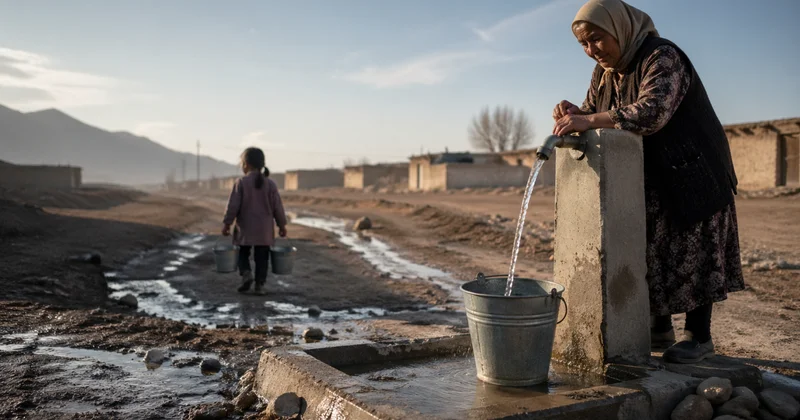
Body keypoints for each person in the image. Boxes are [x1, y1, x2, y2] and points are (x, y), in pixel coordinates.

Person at [552, 0, 744, 363]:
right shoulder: (605, 71)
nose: (592, 50)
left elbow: (651, 113)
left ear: (620, 28)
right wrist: (576, 112)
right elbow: (596, 111)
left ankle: (699, 337)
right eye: (584, 44)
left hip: (693, 172)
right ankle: (659, 329)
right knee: (651, 249)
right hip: (651, 175)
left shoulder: (662, 56)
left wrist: (589, 121)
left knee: (692, 250)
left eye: (597, 39)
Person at [222, 147, 288, 296]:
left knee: (242, 253)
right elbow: (278, 207)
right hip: (264, 231)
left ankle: (246, 274)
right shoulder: (270, 184)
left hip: (245, 228)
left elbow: (233, 206)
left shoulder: (241, 183)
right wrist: (282, 225)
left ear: (246, 164)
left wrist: (227, 223)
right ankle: (260, 285)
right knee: (262, 258)